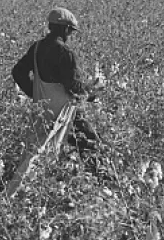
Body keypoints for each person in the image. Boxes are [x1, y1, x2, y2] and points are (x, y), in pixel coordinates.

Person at [11, 8, 103, 154]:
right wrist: (91, 92)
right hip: (64, 112)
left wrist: (35, 94)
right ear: (66, 29)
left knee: (39, 151)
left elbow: (18, 72)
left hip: (42, 111)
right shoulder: (65, 53)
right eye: (71, 31)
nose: (70, 35)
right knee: (91, 147)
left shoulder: (37, 47)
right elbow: (73, 85)